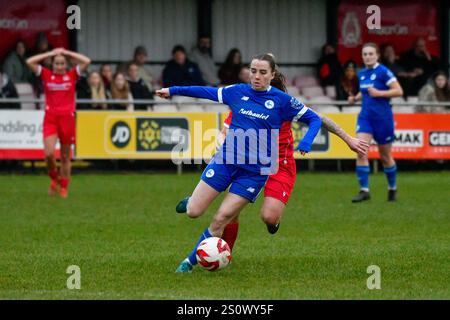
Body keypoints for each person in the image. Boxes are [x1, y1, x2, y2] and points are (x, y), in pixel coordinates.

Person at [156, 53, 325, 273]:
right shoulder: (237, 91)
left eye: (263, 72)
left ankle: (188, 263)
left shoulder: (282, 101)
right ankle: (191, 201)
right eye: (253, 71)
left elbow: (315, 118)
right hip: (226, 162)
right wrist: (173, 90)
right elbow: (204, 91)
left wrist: (307, 141)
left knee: (220, 219)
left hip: (254, 173)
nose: (256, 76)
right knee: (193, 212)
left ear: (272, 75)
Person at [218, 97, 369, 253]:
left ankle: (273, 221)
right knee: (231, 213)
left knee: (269, 217)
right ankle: (224, 254)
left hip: (280, 166)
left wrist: (348, 139)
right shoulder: (246, 104)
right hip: (250, 165)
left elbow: (319, 119)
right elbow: (224, 132)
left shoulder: (285, 104)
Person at [26, 47, 91, 198]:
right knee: (48, 154)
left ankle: (64, 187)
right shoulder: (46, 75)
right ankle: (55, 178)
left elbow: (87, 61)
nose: (60, 66)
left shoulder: (72, 75)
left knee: (65, 156)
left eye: (62, 63)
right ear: (53, 64)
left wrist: (67, 53)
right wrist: (50, 53)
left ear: (66, 65)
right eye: (57, 63)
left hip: (67, 119)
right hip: (51, 118)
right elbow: (29, 62)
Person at [348, 43, 404, 203]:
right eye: (365, 54)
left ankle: (392, 188)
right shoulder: (362, 73)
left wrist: (380, 93)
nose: (367, 57)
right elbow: (364, 91)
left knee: (385, 156)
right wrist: (355, 98)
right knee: (361, 150)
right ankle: (364, 190)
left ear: (377, 55)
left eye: (371, 54)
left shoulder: (384, 71)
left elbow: (399, 91)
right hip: (365, 117)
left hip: (383, 118)